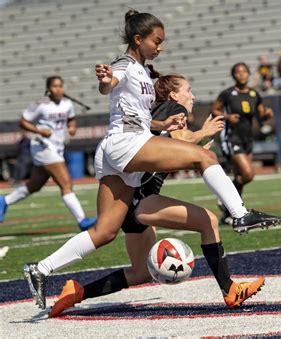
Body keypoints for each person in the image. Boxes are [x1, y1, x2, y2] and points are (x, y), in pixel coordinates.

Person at [23, 10, 281, 310]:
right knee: (204, 157)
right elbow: (111, 82)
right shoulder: (125, 64)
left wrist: (162, 126)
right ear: (138, 39)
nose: (160, 46)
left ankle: (40, 269)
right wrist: (106, 80)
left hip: (119, 148)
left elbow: (137, 115)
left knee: (104, 232)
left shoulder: (144, 72)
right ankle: (240, 214)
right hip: (125, 143)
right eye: (156, 41)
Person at [48, 74, 264, 317]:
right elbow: (180, 138)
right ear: (173, 95)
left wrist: (194, 147)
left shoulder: (156, 110)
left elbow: (169, 146)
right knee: (208, 221)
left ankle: (76, 293)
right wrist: (202, 134)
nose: (192, 96)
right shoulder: (175, 107)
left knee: (140, 272)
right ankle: (230, 289)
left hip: (129, 203)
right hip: (141, 200)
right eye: (188, 90)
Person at [0, 76, 96, 230]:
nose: (58, 89)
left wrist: (72, 128)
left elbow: (71, 119)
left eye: (61, 86)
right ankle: (82, 220)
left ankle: (4, 201)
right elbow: (23, 121)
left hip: (56, 147)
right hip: (43, 147)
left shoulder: (67, 103)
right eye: (55, 86)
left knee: (35, 185)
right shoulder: (41, 104)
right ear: (48, 88)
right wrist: (39, 131)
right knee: (66, 183)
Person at [211, 62, 274, 225]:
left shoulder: (254, 94)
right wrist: (227, 117)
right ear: (233, 75)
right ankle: (225, 199)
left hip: (247, 139)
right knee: (248, 174)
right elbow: (214, 109)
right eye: (238, 72)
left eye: (244, 71)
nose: (241, 75)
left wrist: (267, 114)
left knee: (241, 176)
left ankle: (227, 211)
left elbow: (261, 116)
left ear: (248, 74)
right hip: (232, 137)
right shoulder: (227, 93)